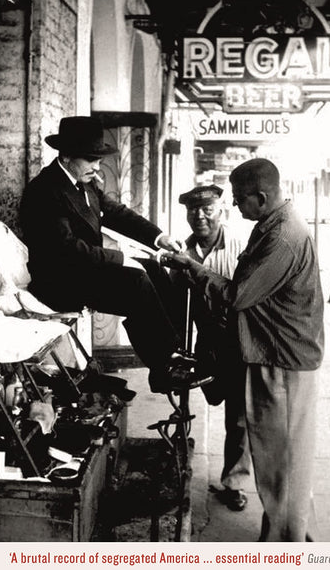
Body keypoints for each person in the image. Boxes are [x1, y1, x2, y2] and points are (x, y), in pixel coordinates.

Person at [161, 159, 324, 541]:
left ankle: (286, 544)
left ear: (261, 198)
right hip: (271, 354)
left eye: (237, 198)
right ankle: (289, 531)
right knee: (282, 460)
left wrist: (193, 268)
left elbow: (237, 295)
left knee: (282, 461)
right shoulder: (272, 226)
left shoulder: (282, 237)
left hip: (281, 360)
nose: (234, 206)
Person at [20, 116, 211, 394]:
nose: (97, 166)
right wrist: (120, 259)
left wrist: (159, 238)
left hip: (85, 270)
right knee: (136, 282)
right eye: (90, 159)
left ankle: (173, 353)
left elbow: (117, 214)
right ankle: (165, 368)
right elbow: (67, 249)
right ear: (67, 155)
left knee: (155, 270)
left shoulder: (83, 182)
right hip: (59, 281)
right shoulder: (45, 190)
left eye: (98, 159)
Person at [175, 184, 252, 511]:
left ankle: (234, 483)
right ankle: (178, 469)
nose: (200, 217)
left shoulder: (239, 245)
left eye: (207, 209)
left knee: (239, 417)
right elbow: (177, 305)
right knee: (188, 401)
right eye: (194, 210)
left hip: (237, 339)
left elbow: (243, 294)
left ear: (221, 210)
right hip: (205, 341)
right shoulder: (184, 251)